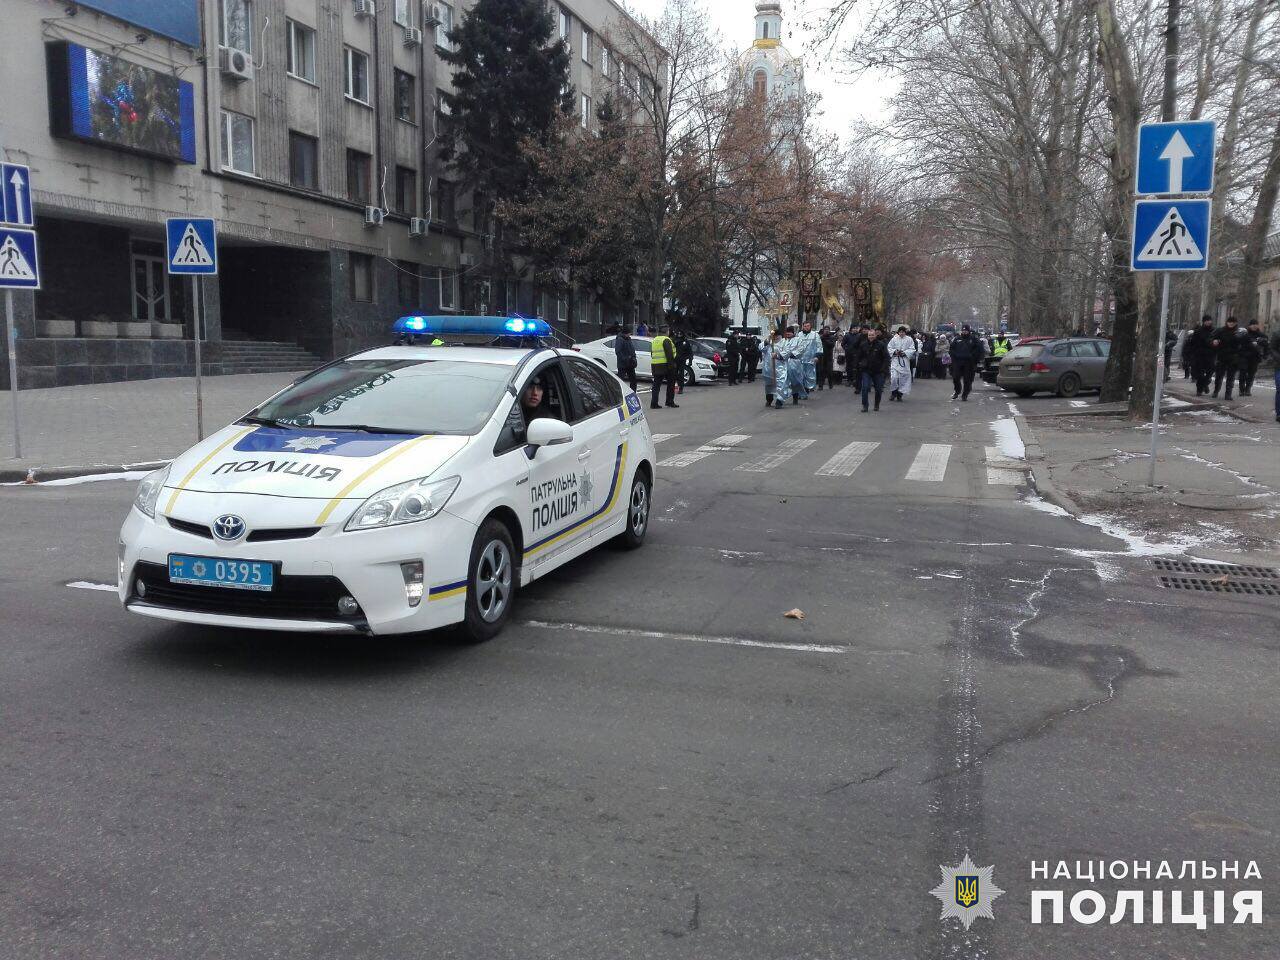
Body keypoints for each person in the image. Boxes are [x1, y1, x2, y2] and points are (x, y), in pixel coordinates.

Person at [856, 327, 890, 412]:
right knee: (865, 388)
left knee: (878, 389)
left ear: (875, 335)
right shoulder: (863, 345)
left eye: (872, 335)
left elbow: (886, 357)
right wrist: (859, 365)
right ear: (867, 336)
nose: (871, 337)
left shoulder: (881, 345)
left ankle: (876, 404)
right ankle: (865, 406)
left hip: (878, 371)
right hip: (866, 370)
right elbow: (858, 357)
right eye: (869, 335)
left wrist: (884, 368)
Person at [949, 324, 985, 400]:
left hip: (969, 363)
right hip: (958, 362)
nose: (964, 332)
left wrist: (974, 357)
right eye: (963, 330)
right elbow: (951, 348)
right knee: (955, 377)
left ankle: (965, 394)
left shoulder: (974, 339)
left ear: (969, 331)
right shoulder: (957, 338)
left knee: (967, 380)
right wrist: (954, 356)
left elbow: (980, 349)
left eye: (966, 330)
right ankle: (957, 391)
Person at [1211, 316, 1243, 400]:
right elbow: (1212, 337)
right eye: (1229, 322)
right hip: (1222, 356)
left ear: (1236, 323)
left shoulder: (1238, 332)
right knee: (1219, 376)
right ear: (1227, 322)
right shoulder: (1220, 330)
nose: (1231, 323)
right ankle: (1216, 391)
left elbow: (1243, 342)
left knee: (1231, 377)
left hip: (1233, 357)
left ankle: (1228, 394)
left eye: (1233, 322)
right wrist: (1214, 341)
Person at [1186, 315, 1217, 395]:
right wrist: (1191, 354)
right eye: (1206, 320)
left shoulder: (1214, 331)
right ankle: (1199, 390)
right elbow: (1193, 343)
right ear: (1203, 322)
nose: (1208, 322)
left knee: (1210, 372)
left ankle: (1205, 384)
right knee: (1200, 374)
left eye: (1209, 320)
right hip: (1199, 355)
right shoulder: (1198, 331)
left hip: (1210, 355)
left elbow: (1217, 342)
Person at [1239, 319, 1269, 397]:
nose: (1254, 326)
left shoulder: (1261, 335)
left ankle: (1248, 389)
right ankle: (1241, 390)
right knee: (1243, 372)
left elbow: (1267, 345)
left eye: (1256, 324)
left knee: (1251, 374)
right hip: (1244, 356)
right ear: (1249, 325)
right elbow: (1239, 343)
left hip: (1255, 357)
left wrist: (1265, 355)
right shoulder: (1245, 334)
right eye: (1252, 324)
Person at [649, 325, 678, 409]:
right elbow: (669, 354)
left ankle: (654, 403)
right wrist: (672, 366)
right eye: (668, 331)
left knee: (656, 386)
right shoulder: (666, 340)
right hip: (666, 365)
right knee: (670, 384)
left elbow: (652, 353)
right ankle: (669, 402)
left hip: (655, 365)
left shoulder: (655, 340)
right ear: (666, 332)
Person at [887, 325, 917, 401]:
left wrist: (905, 353)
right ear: (898, 332)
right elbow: (889, 347)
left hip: (904, 361)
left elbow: (912, 348)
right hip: (895, 361)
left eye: (903, 332)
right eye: (900, 332)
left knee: (902, 379)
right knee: (894, 378)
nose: (901, 333)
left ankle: (900, 395)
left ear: (905, 332)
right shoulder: (894, 339)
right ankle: (893, 393)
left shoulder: (909, 339)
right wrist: (895, 352)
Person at [794, 319, 820, 397]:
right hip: (800, 359)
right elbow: (795, 345)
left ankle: (806, 390)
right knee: (800, 376)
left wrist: (817, 356)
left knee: (809, 376)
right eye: (805, 326)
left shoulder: (815, 335)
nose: (806, 327)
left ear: (810, 326)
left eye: (808, 326)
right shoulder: (799, 335)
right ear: (803, 327)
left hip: (810, 359)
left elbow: (819, 346)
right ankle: (801, 392)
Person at [772, 328, 793, 408]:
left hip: (781, 367)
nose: (776, 338)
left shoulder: (785, 342)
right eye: (774, 336)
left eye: (777, 336)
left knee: (782, 383)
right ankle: (769, 398)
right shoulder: (770, 342)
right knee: (772, 385)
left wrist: (777, 355)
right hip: (771, 367)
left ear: (780, 336)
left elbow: (787, 352)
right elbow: (762, 348)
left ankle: (779, 401)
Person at [614, 327, 638, 392]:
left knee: (633, 380)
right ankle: (619, 393)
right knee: (620, 380)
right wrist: (626, 359)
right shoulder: (620, 339)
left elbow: (631, 349)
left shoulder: (628, 339)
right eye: (629, 333)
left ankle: (633, 393)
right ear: (625, 333)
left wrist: (633, 357)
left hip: (630, 363)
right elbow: (618, 351)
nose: (630, 335)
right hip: (623, 364)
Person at [761, 331, 778, 407]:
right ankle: (769, 400)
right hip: (768, 368)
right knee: (768, 385)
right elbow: (761, 348)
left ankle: (779, 401)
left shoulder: (782, 342)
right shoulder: (768, 343)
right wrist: (766, 342)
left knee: (779, 385)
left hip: (778, 368)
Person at [818, 325, 838, 390]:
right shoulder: (820, 337)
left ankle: (830, 384)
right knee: (821, 371)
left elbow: (832, 345)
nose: (826, 330)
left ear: (829, 330)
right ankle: (820, 386)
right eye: (825, 329)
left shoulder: (831, 337)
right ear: (823, 330)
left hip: (829, 356)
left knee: (829, 372)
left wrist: (826, 340)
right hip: (822, 356)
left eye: (828, 329)